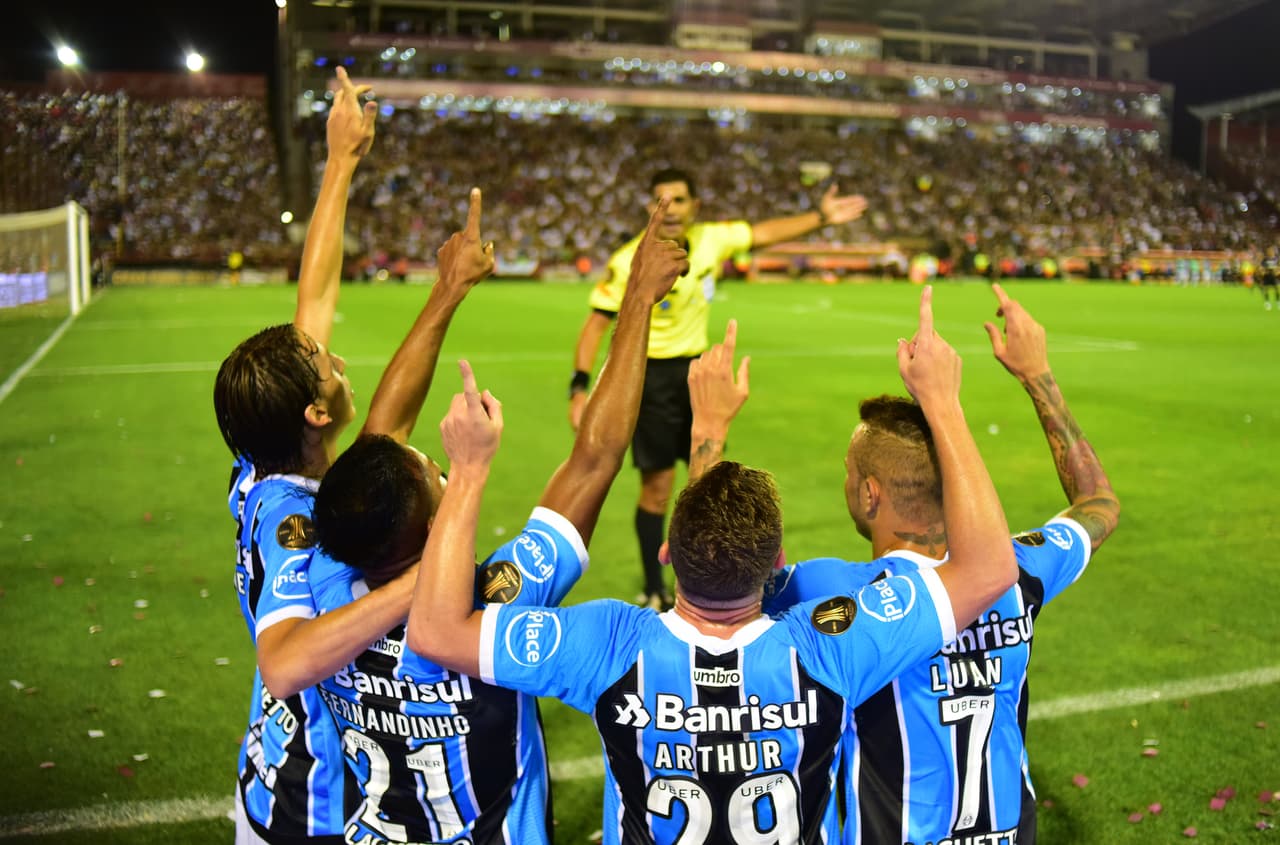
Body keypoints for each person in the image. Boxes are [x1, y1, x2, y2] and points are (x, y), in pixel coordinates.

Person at [408, 287, 1019, 845]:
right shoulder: (829, 648)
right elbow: (990, 568)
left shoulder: (608, 644)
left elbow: (435, 631)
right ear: (776, 564)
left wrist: (467, 472)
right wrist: (941, 403)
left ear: (668, 552)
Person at [306, 198, 689, 844]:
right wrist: (639, 301)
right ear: (433, 528)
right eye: (436, 474)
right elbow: (595, 460)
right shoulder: (497, 605)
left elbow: (379, 440)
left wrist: (447, 290)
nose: (441, 468)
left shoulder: (328, 580)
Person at [213, 69, 493, 844]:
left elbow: (316, 299)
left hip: (283, 780)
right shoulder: (290, 518)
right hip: (313, 805)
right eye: (327, 366)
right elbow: (283, 663)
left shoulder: (268, 459)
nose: (336, 360)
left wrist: (341, 163)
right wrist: (418, 581)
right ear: (313, 410)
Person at [744, 283, 1120, 844]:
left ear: (869, 494)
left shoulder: (827, 593)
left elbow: (714, 579)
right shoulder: (1021, 569)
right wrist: (1036, 374)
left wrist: (706, 433)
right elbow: (1099, 504)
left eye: (851, 472)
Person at [567, 167, 869, 610]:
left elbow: (762, 233)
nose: (671, 211)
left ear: (696, 206)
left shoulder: (711, 239)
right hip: (649, 380)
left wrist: (819, 218)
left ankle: (710, 579)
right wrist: (578, 387)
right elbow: (596, 324)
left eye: (680, 200)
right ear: (653, 207)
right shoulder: (629, 259)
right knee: (657, 488)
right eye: (662, 201)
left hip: (695, 374)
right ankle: (655, 588)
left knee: (709, 480)